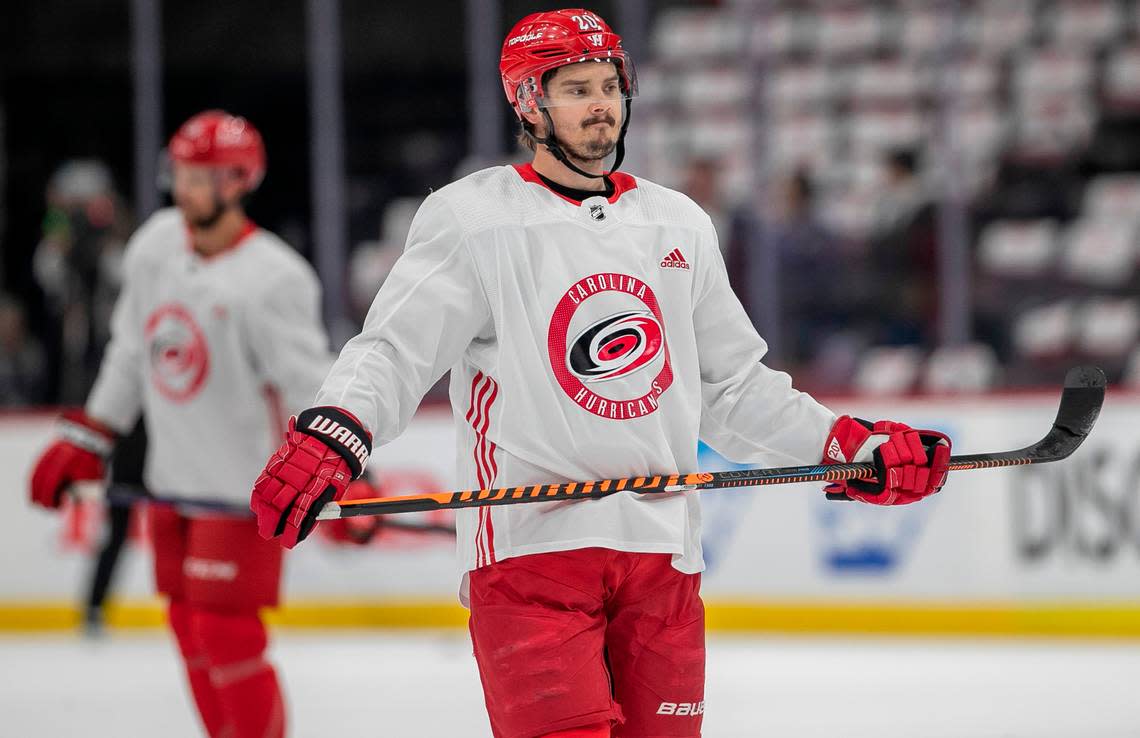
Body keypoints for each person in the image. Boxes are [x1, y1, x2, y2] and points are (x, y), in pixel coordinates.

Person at [250, 9, 952, 738]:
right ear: (528, 101)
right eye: (578, 88)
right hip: (532, 559)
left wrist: (851, 446)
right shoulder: (473, 219)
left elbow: (735, 388)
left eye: (611, 86)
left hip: (662, 561)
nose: (601, 106)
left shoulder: (678, 223)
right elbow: (395, 351)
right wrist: (334, 435)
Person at [29, 110, 332, 738]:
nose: (188, 188)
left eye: (205, 176)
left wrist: (345, 468)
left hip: (242, 496)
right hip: (171, 485)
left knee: (228, 636)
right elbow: (130, 350)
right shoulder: (155, 244)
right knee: (189, 629)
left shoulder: (274, 277)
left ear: (241, 180)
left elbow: (314, 388)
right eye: (183, 173)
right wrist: (92, 435)